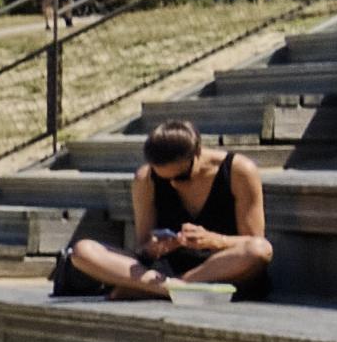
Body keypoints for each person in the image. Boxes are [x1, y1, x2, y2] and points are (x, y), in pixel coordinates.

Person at [62, 123, 269, 301]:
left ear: (197, 153)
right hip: (163, 270)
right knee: (82, 251)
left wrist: (214, 240)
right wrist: (154, 247)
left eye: (181, 177)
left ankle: (157, 288)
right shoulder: (145, 178)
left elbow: (252, 240)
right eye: (164, 179)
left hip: (219, 266)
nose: (174, 185)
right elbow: (142, 248)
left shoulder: (238, 171)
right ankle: (172, 289)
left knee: (260, 250)